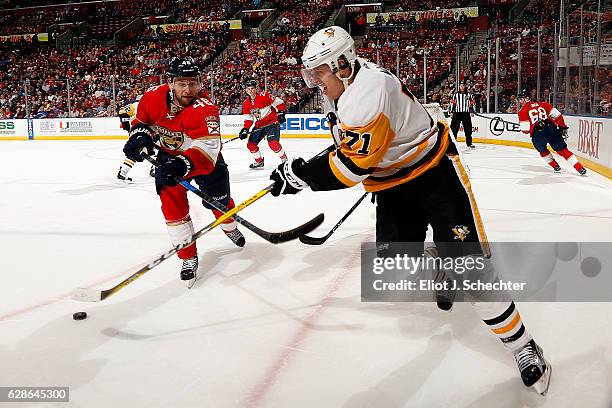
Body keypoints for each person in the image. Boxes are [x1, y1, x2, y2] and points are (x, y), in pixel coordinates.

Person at [269, 26, 551, 395]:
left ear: (341, 64)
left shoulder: (366, 91)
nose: (313, 82)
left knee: (472, 271)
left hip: (434, 175)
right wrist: (304, 170)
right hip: (392, 185)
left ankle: (524, 347)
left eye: (318, 72)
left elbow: (353, 168)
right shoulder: (345, 84)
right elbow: (353, 145)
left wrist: (300, 177)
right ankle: (440, 262)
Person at [123, 57, 245, 285]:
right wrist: (139, 136)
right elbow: (143, 122)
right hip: (168, 157)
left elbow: (207, 150)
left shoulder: (205, 109)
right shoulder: (152, 97)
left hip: (203, 160)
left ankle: (230, 227)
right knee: (173, 209)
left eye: (192, 83)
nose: (188, 89)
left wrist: (182, 164)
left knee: (219, 201)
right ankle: (188, 257)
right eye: (181, 83)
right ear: (170, 83)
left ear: (199, 82)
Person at [518, 90, 586, 175]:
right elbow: (558, 116)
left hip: (538, 134)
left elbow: (525, 130)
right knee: (563, 150)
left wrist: (527, 126)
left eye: (521, 99)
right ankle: (580, 168)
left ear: (527, 99)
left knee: (542, 150)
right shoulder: (544, 104)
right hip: (551, 129)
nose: (520, 101)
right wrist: (562, 127)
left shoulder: (522, 111)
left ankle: (555, 166)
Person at [239, 79, 288, 169]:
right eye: (248, 89)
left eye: (252, 88)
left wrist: (281, 112)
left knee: (273, 144)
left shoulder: (264, 95)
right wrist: (245, 129)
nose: (250, 91)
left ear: (256, 89)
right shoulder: (246, 104)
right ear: (246, 90)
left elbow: (279, 102)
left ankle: (285, 160)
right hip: (259, 126)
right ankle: (259, 162)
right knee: (251, 145)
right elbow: (249, 119)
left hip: (271, 123)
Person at [116, 99, 156, 182]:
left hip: (149, 132)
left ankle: (155, 169)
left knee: (151, 150)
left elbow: (122, 112)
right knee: (136, 150)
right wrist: (127, 127)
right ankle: (122, 173)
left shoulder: (155, 106)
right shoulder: (137, 105)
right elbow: (122, 111)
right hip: (140, 130)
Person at [449, 82, 476, 148]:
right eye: (460, 86)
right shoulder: (456, 94)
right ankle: (452, 143)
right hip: (457, 113)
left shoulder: (469, 94)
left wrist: (472, 111)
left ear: (465, 86)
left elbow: (472, 102)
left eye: (463, 86)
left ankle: (469, 143)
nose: (462, 87)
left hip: (466, 113)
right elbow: (452, 103)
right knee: (453, 128)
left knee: (468, 129)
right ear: (459, 87)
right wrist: (451, 111)